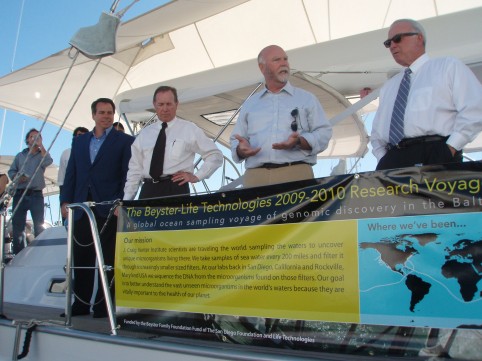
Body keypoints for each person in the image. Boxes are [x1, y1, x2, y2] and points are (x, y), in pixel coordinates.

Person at [371, 19, 482, 170]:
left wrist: (451, 147)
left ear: (419, 38)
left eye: (397, 39)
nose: (392, 45)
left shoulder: (447, 67)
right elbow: (377, 133)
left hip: (436, 152)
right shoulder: (389, 86)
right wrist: (383, 158)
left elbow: (475, 108)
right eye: (388, 43)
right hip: (393, 160)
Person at [60, 98, 134, 318]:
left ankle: (104, 306)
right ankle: (80, 304)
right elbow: (71, 173)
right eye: (101, 112)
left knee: (108, 259)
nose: (106, 116)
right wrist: (65, 201)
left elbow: (127, 176)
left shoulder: (124, 141)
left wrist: (121, 202)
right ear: (93, 115)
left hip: (109, 207)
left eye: (110, 112)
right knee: (82, 257)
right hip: (81, 207)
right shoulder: (80, 143)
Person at [229, 45, 332, 188]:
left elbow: (324, 133)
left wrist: (299, 142)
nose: (284, 63)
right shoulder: (250, 103)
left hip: (295, 174)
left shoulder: (306, 99)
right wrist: (241, 149)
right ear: (262, 67)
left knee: (299, 212)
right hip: (256, 177)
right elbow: (237, 139)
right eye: (277, 60)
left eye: (286, 59)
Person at [123, 85, 223, 200]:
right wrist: (126, 201)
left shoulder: (189, 129)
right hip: (148, 190)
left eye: (169, 104)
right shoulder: (144, 134)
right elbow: (135, 170)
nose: (165, 109)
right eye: (161, 104)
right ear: (154, 105)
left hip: (176, 189)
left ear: (177, 104)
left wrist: (197, 176)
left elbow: (215, 155)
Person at [8, 129, 53, 254]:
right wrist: (18, 177)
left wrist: (41, 145)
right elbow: (11, 171)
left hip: (36, 194)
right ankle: (19, 255)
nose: (35, 138)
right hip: (20, 193)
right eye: (32, 136)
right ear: (27, 139)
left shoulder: (41, 155)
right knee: (18, 228)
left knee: (39, 226)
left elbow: (49, 161)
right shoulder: (20, 156)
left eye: (38, 136)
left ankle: (40, 253)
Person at [57, 127, 88, 223]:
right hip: (69, 190)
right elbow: (62, 177)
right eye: (79, 135)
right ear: (74, 137)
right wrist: (64, 198)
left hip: (84, 190)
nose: (81, 138)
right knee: (67, 220)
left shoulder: (91, 154)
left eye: (85, 136)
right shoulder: (66, 153)